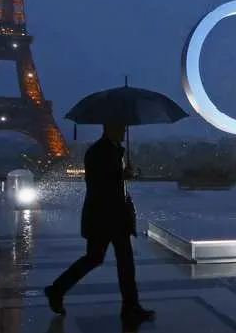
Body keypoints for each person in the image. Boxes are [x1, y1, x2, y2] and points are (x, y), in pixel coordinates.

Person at [45, 123, 155, 322]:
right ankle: (57, 289)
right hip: (105, 216)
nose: (124, 132)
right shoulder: (100, 152)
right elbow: (98, 183)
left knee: (117, 261)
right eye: (121, 128)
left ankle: (130, 306)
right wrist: (121, 175)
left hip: (110, 216)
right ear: (110, 129)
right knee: (105, 260)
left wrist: (124, 175)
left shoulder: (108, 150)